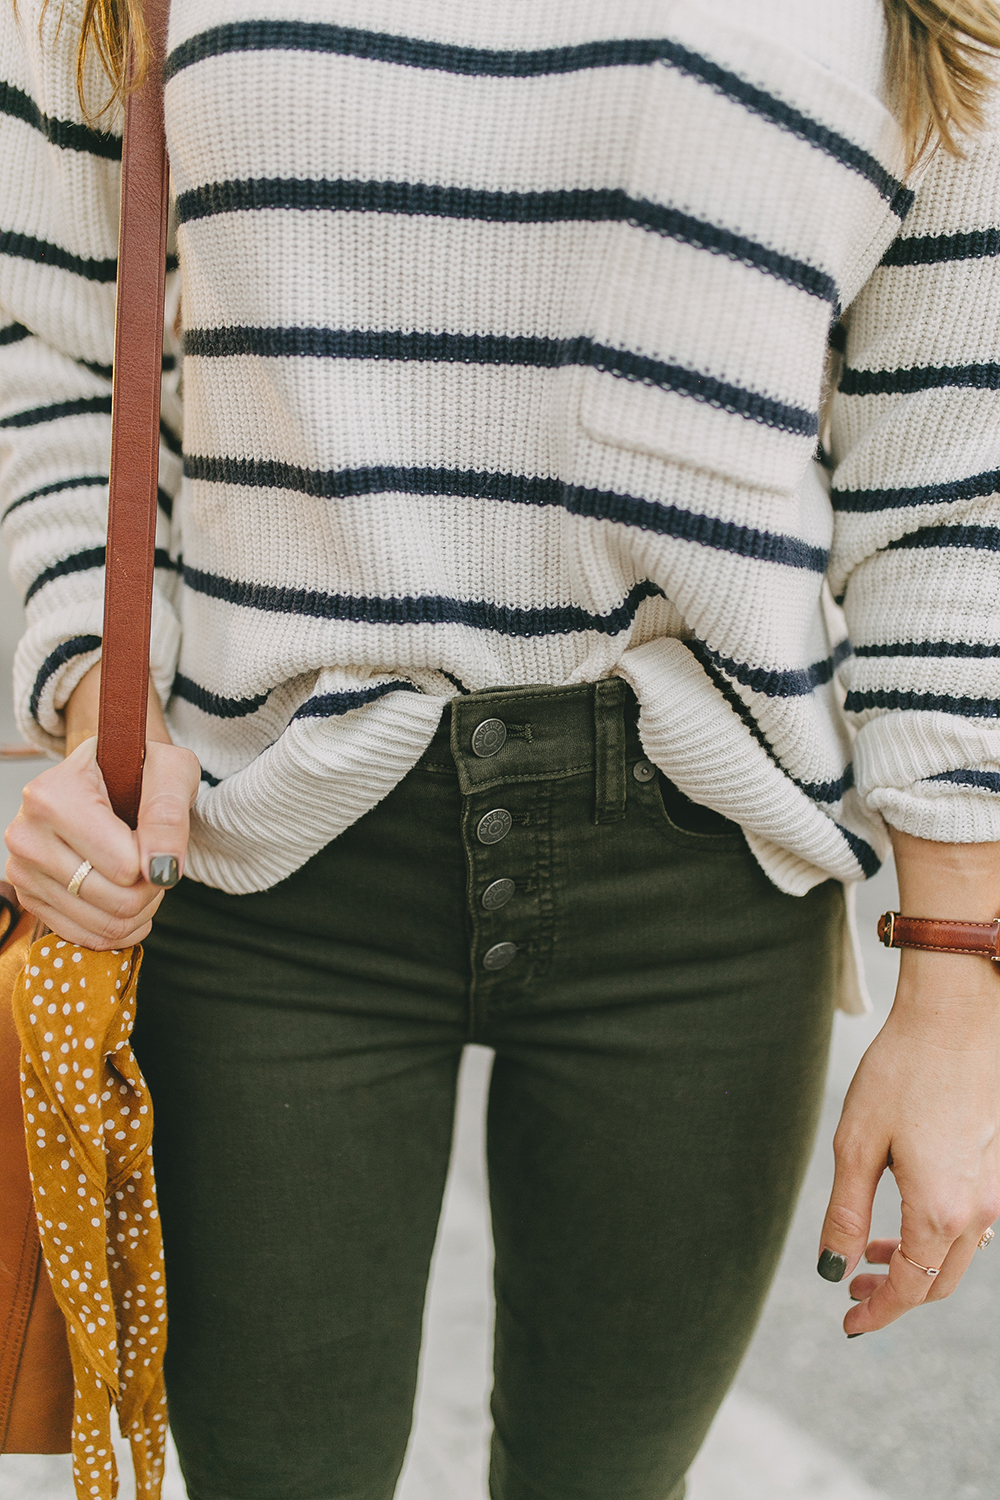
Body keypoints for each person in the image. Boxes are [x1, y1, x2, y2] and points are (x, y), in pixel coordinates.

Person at [3, 0, 1000, 1495]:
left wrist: (957, 980)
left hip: (701, 884)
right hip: (266, 862)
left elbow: (950, 488)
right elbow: (59, 355)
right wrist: (97, 708)